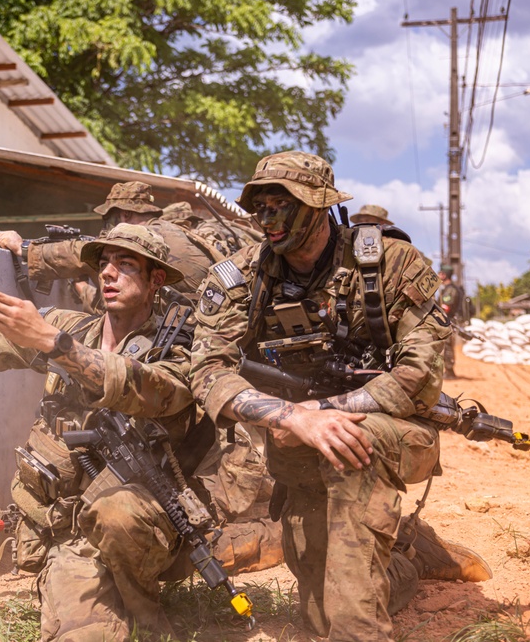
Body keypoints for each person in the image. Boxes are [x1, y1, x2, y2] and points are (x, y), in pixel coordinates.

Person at [0, 224, 276, 641]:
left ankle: (149, 618)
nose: (110, 274)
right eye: (104, 264)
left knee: (118, 515)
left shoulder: (179, 348)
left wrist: (54, 345)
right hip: (68, 529)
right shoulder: (69, 326)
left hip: (144, 526)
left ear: (157, 280)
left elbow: (149, 389)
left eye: (127, 265)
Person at [188, 151, 491, 641]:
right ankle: (406, 557)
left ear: (318, 207)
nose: (267, 220)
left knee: (352, 444)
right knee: (319, 608)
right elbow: (205, 368)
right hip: (294, 441)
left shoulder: (390, 263)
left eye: (281, 205)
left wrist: (324, 412)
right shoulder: (242, 277)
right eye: (259, 207)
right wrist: (287, 418)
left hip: (389, 431)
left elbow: (420, 375)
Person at [0, 181, 260, 309]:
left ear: (123, 215)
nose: (106, 227)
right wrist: (81, 284)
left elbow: (75, 252)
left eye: (108, 218)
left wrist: (25, 247)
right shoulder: (172, 231)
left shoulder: (150, 236)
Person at [438, 264, 467, 379]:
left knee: (448, 345)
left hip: (449, 321)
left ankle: (450, 371)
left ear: (445, 275)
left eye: (440, 273)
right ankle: (449, 370)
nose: (438, 275)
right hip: (447, 321)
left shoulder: (450, 290)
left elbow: (446, 307)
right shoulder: (447, 289)